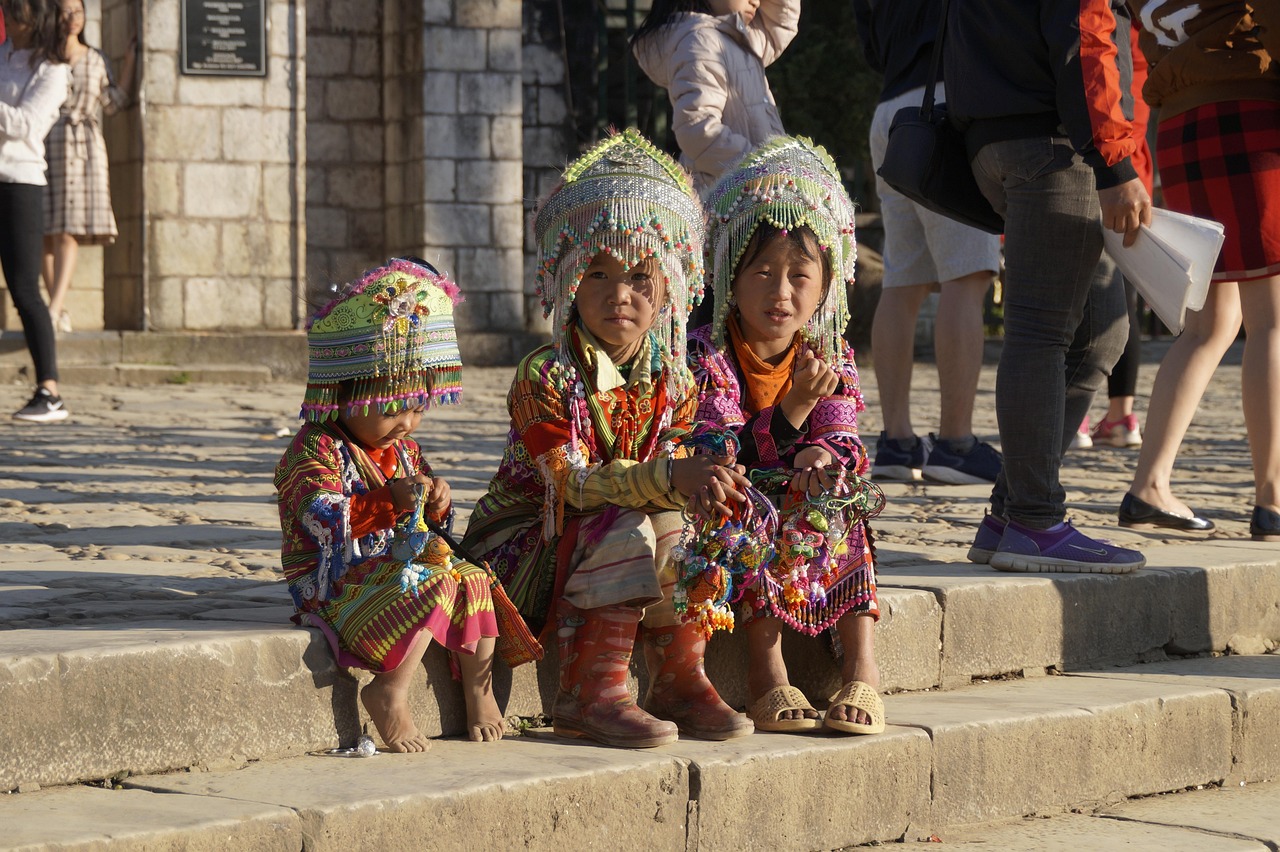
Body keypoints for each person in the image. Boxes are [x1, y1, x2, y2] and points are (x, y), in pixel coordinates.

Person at [462, 128, 753, 748]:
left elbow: (680, 460)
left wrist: (709, 482)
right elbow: (567, 483)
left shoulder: (674, 379)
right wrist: (666, 480)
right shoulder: (545, 375)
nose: (620, 294)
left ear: (668, 289)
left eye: (641, 278)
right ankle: (590, 691)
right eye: (598, 273)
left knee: (689, 523)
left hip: (616, 533)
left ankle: (679, 677)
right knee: (630, 519)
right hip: (525, 544)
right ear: (568, 278)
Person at [686, 135, 885, 735]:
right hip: (732, 494)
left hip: (803, 489)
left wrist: (822, 452)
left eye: (800, 275)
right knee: (742, 501)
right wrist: (794, 406)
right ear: (729, 277)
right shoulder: (707, 354)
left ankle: (863, 668)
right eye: (763, 273)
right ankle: (766, 670)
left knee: (839, 495)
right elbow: (721, 448)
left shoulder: (831, 352)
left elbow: (843, 430)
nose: (781, 293)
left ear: (824, 287)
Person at [948, 0, 1151, 573]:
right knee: (1041, 333)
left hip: (1006, 137)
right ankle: (1035, 521)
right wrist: (1116, 162)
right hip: (1053, 142)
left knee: (1102, 332)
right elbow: (1085, 39)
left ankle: (1008, 513)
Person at [274, 258, 504, 752]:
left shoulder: (402, 450)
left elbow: (426, 524)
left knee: (474, 575)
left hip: (394, 565)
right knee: (434, 581)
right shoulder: (313, 450)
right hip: (335, 583)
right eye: (390, 409)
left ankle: (478, 688)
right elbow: (318, 517)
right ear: (341, 396)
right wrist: (383, 502)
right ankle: (389, 691)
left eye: (417, 408)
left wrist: (435, 503)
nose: (406, 423)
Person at [1119, 1, 1280, 539]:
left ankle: (1150, 485)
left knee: (1211, 323)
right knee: (1273, 318)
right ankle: (1273, 497)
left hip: (1181, 122)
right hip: (1249, 110)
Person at [853, 0, 1003, 484]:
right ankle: (956, 441)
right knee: (968, 275)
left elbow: (874, 50)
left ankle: (896, 441)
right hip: (946, 103)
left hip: (891, 112)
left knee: (904, 279)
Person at [1073, 20, 1155, 452]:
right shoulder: (1142, 37)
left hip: (1099, 166)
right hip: (1134, 171)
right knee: (1121, 296)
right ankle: (1122, 415)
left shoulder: (1109, 31)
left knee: (1073, 292)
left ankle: (1078, 416)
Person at [631, 0, 798, 192]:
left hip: (755, 193)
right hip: (726, 203)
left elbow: (782, 19)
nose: (756, 2)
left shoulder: (740, 36)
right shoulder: (701, 41)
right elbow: (697, 129)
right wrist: (758, 167)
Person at [40, 0, 134, 333]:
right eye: (65, 12)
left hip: (83, 149)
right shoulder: (44, 56)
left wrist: (129, 65)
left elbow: (113, 104)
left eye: (77, 12)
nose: (72, 19)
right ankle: (58, 307)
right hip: (46, 142)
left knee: (67, 228)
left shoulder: (96, 59)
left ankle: (52, 308)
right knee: (45, 232)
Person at [1, 0, 69, 422]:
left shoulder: (53, 70)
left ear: (37, 16)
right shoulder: (2, 55)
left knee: (25, 289)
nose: (9, 14)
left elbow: (27, 124)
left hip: (20, 182)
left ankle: (50, 390)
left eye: (18, 9)